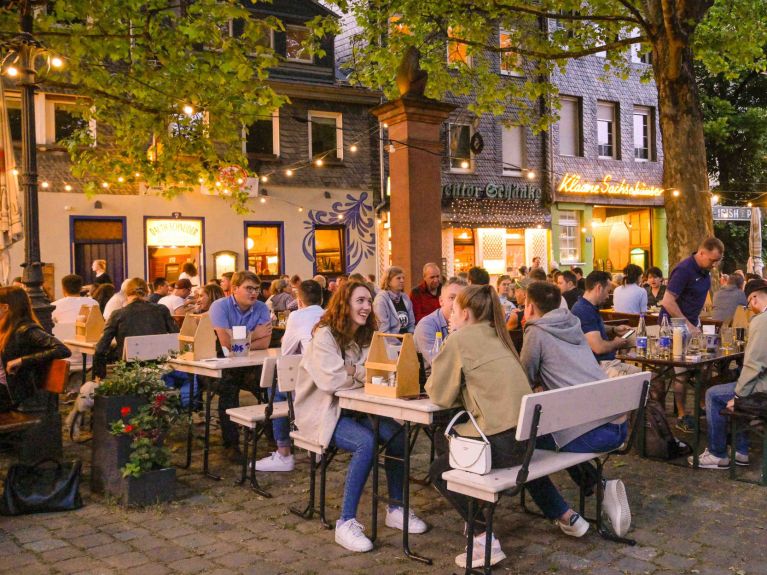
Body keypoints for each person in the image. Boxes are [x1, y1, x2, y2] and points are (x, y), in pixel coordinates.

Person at [293, 280, 427, 552]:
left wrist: (353, 371)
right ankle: (346, 522)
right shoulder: (325, 336)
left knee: (399, 436)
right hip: (322, 412)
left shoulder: (367, 335)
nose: (366, 307)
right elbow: (332, 382)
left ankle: (396, 508)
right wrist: (359, 373)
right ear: (345, 303)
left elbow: (380, 370)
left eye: (368, 301)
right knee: (366, 442)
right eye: (360, 301)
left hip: (356, 410)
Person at [426, 285, 534, 569]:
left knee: (439, 471)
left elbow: (438, 395)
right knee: (445, 442)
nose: (449, 315)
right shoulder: (500, 335)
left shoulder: (460, 340)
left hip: (502, 447)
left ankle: (483, 536)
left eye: (453, 309)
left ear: (464, 312)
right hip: (526, 444)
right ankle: (475, 516)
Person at [520, 281, 631, 538]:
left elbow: (522, 378)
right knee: (557, 429)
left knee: (523, 448)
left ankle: (566, 515)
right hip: (615, 424)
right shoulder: (573, 323)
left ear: (531, 306)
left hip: (591, 430)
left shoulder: (536, 332)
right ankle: (599, 486)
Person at [693, 278, 767, 468]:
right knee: (733, 384)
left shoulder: (762, 321)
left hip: (764, 390)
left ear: (755, 298)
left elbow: (753, 365)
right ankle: (740, 450)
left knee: (713, 394)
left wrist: (739, 396)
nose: (750, 308)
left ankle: (717, 453)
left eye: (749, 304)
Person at [255, 279, 325, 472]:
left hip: (309, 385)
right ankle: (314, 446)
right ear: (321, 297)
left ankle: (283, 451)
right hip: (327, 382)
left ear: (299, 300)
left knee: (278, 389)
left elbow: (286, 352)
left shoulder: (296, 316)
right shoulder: (329, 315)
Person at [659, 237, 724, 431]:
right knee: (683, 371)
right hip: (675, 326)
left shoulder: (705, 272)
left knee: (705, 364)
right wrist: (688, 324)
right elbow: (668, 302)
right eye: (712, 260)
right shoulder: (684, 269)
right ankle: (681, 414)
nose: (714, 265)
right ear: (702, 253)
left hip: (692, 323)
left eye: (717, 261)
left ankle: (702, 405)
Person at [208, 271, 272, 460]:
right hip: (220, 364)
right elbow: (225, 344)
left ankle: (275, 437)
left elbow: (265, 343)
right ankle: (231, 444)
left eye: (256, 289)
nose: (254, 293)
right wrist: (254, 334)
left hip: (249, 363)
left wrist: (243, 341)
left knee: (271, 383)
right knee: (229, 388)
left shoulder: (260, 307)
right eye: (249, 288)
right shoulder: (219, 306)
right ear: (235, 289)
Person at [0, 287, 71, 412]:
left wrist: (21, 360)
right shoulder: (5, 328)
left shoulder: (26, 329)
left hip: (12, 395)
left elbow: (62, 349)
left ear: (5, 307)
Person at [92, 278, 178, 379]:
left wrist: (100, 376)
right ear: (147, 292)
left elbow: (100, 348)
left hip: (129, 370)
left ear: (126, 294)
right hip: (160, 367)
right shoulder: (162, 310)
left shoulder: (118, 314)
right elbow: (176, 335)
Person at [571, 271, 639, 378]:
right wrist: (616, 343)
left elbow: (592, 328)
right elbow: (598, 347)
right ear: (598, 288)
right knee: (652, 379)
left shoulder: (586, 306)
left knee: (651, 377)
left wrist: (614, 329)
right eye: (607, 291)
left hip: (605, 363)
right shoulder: (584, 310)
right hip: (600, 367)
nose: (608, 296)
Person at [414, 276, 466, 371]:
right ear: (441, 301)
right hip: (431, 381)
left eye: (462, 299)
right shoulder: (426, 326)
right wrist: (455, 332)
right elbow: (440, 366)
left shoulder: (468, 322)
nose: (457, 303)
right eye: (452, 298)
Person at [373, 266, 415, 335]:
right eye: (398, 278)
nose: (402, 280)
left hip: (407, 340)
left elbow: (411, 323)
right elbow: (383, 329)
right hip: (390, 342)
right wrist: (397, 344)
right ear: (388, 281)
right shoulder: (381, 299)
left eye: (403, 278)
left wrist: (410, 337)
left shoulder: (405, 297)